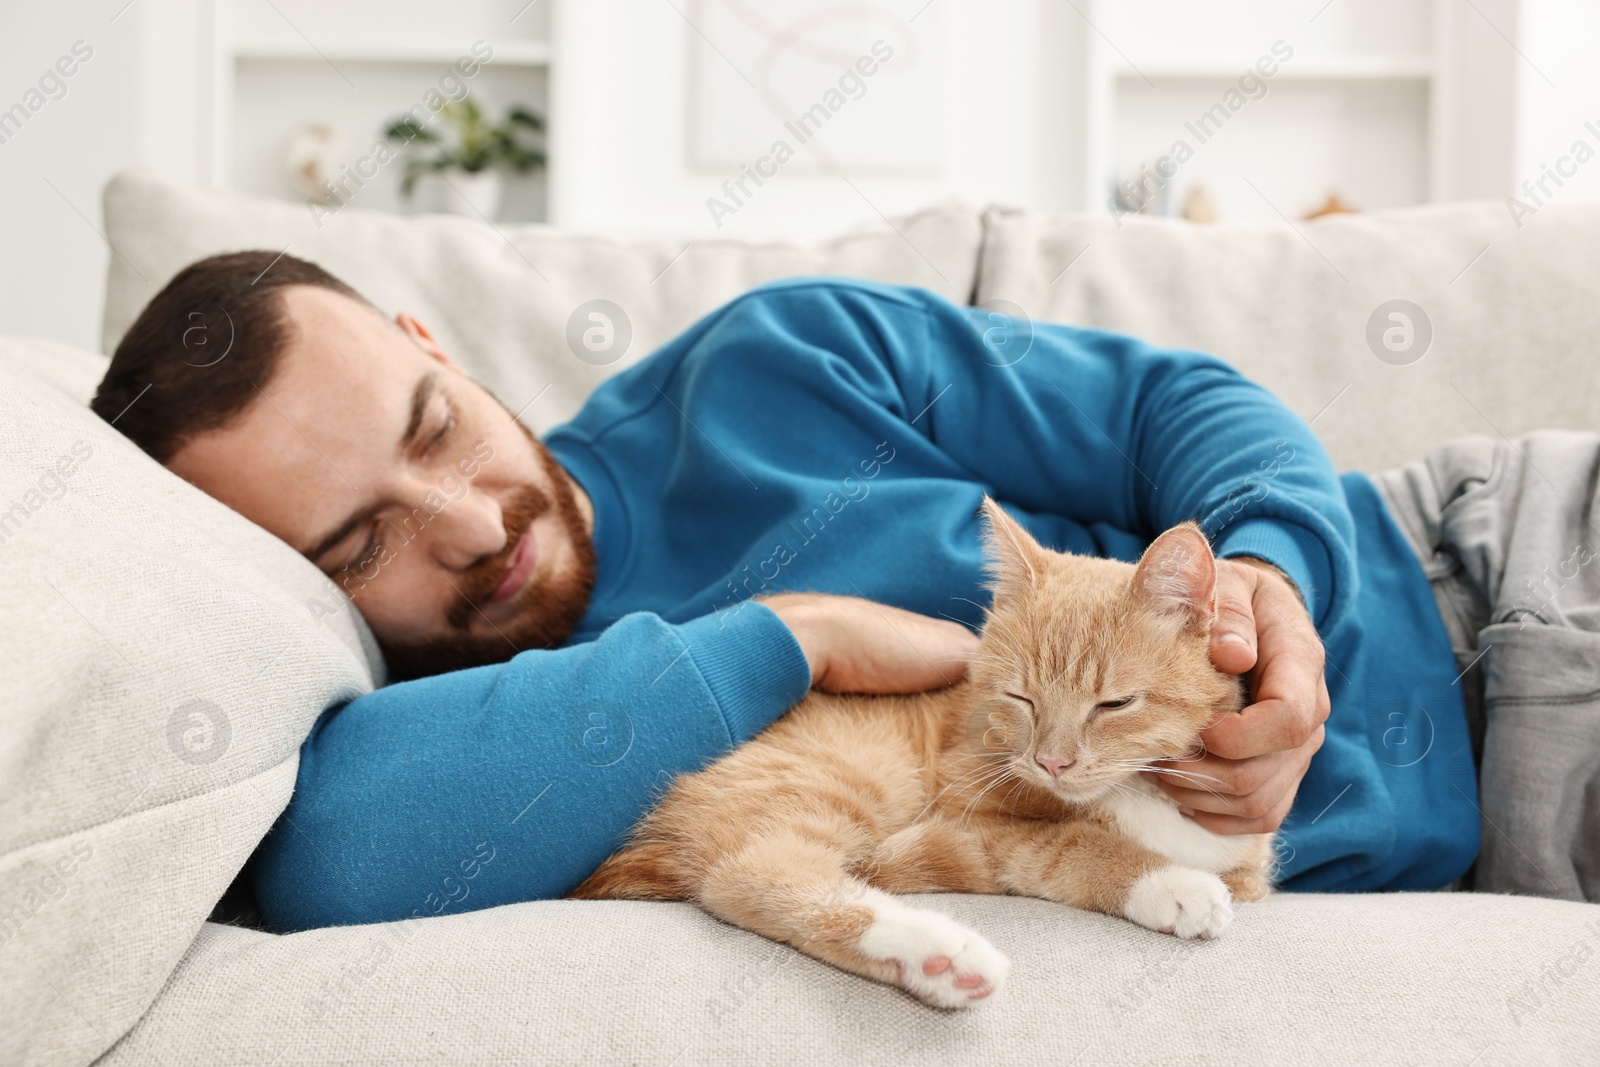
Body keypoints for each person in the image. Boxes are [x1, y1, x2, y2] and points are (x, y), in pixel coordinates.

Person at [88, 251, 1524, 932]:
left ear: (437, 345)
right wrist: (794, 635)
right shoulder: (465, 727)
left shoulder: (776, 358)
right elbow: (322, 857)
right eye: (358, 546)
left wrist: (1273, 575)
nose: (468, 522)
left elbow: (1177, 407)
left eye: (432, 425)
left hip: (1483, 567)